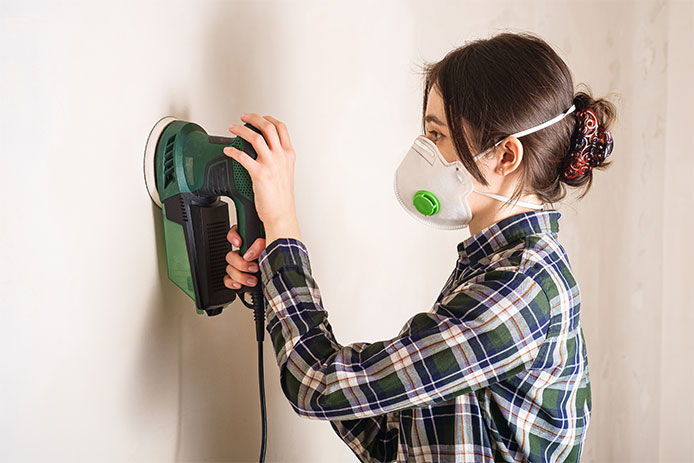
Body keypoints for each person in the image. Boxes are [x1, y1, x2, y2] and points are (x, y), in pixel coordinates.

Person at [222, 31, 616, 462]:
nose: (425, 151)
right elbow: (392, 440)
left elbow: (315, 385)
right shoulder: (498, 267)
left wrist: (282, 222)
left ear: (505, 156)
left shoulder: (518, 288)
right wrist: (274, 279)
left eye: (438, 134)